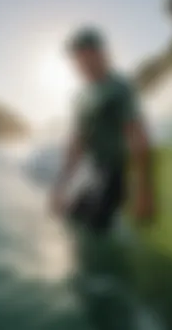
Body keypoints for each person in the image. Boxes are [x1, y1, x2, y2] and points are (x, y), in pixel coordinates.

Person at [50, 26, 153, 234]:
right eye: (77, 58)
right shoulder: (81, 97)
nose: (81, 63)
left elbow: (137, 135)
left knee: (94, 226)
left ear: (100, 54)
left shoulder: (119, 87)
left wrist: (144, 190)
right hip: (97, 173)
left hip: (121, 172)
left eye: (86, 55)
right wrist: (61, 187)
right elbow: (77, 145)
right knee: (71, 217)